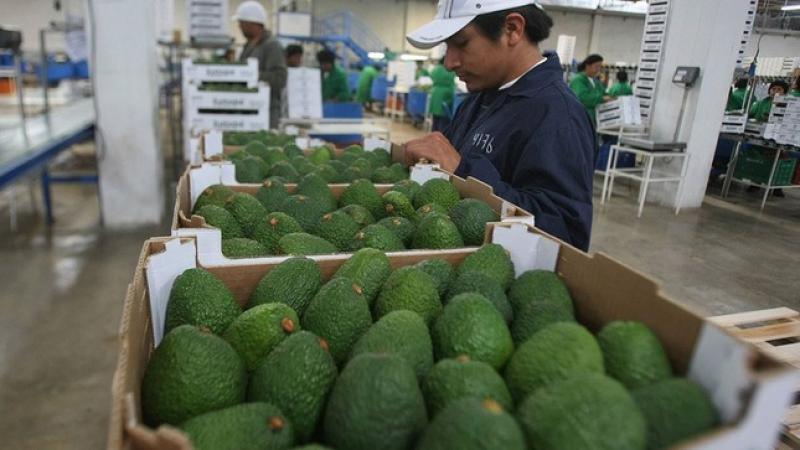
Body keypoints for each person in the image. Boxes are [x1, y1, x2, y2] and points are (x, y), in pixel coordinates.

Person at [404, 0, 595, 250]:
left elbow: (565, 235)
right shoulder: (479, 99)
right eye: (446, 46)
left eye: (461, 43)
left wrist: (464, 171)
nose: (449, 62)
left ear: (513, 29)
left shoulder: (558, 116)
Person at [234, 1, 287, 129]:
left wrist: (249, 76)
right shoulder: (249, 46)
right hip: (248, 112)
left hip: (265, 116)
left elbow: (279, 78)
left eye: (241, 23)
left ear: (252, 23)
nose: (239, 26)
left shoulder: (271, 46)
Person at [570, 54, 608, 122]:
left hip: (593, 119)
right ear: (588, 66)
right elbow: (582, 98)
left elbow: (603, 93)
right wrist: (602, 99)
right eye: (596, 66)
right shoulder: (578, 80)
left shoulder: (595, 81)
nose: (599, 69)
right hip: (581, 119)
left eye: (600, 67)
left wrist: (609, 97)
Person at [429, 58, 456, 132]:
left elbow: (431, 76)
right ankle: (442, 136)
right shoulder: (450, 70)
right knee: (444, 119)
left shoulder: (436, 69)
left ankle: (433, 134)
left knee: (435, 119)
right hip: (446, 93)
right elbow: (453, 78)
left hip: (436, 93)